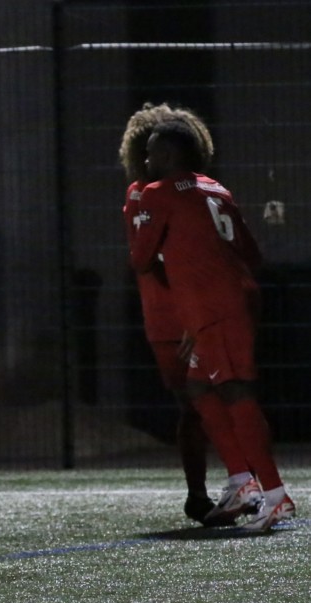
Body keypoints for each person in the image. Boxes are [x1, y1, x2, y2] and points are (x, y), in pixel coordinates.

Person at [131, 120, 296, 532]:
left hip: (214, 306)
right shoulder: (216, 188)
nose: (147, 160)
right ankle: (242, 480)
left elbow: (140, 259)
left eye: (152, 152)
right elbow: (250, 251)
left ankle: (275, 495)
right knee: (199, 386)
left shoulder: (156, 192)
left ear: (168, 156)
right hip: (230, 297)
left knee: (234, 389)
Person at [117, 103, 236, 525]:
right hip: (174, 321)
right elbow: (153, 261)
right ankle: (214, 492)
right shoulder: (142, 196)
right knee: (201, 402)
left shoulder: (189, 193)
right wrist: (192, 314)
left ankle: (218, 491)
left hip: (195, 314)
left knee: (212, 401)